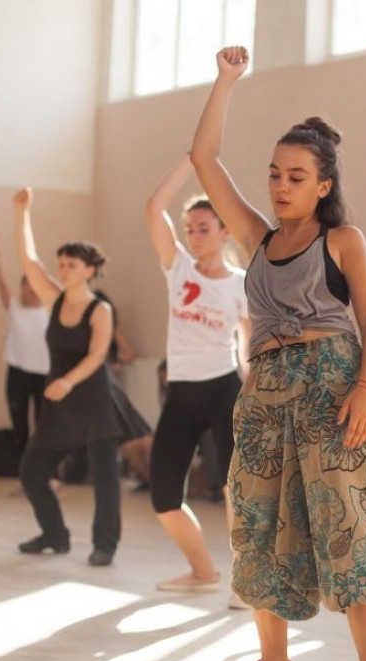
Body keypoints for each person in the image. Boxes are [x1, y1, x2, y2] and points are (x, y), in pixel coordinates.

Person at [192, 47, 366, 661]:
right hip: (264, 398)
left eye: (296, 176)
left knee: (354, 535)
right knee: (258, 532)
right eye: (274, 174)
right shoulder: (257, 239)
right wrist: (226, 82)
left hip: (334, 395)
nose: (280, 186)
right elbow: (203, 159)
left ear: (322, 185)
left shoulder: (342, 241)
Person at [10, 187, 148, 567]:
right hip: (60, 399)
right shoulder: (54, 300)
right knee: (32, 472)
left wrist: (68, 382)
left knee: (105, 476)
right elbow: (29, 259)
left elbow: (98, 355)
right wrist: (21, 213)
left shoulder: (99, 309)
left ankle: (105, 545)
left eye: (72, 264)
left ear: (89, 270)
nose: (64, 269)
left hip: (94, 398)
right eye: (62, 263)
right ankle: (55, 535)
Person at [143, 154, 250, 604]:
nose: (194, 235)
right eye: (190, 229)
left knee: (233, 488)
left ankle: (245, 582)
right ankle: (202, 571)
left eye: (204, 228)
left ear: (225, 232)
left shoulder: (241, 283)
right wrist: (189, 163)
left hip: (223, 387)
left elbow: (250, 344)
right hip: (181, 392)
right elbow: (154, 209)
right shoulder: (179, 268)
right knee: (163, 495)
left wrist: (256, 391)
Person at [0, 231, 49, 463]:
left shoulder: (50, 311)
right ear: (22, 288)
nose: (31, 291)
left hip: (44, 375)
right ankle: (23, 472)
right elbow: (1, 282)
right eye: (27, 286)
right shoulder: (15, 309)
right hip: (18, 374)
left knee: (43, 426)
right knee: (20, 427)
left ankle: (44, 471)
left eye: (35, 286)